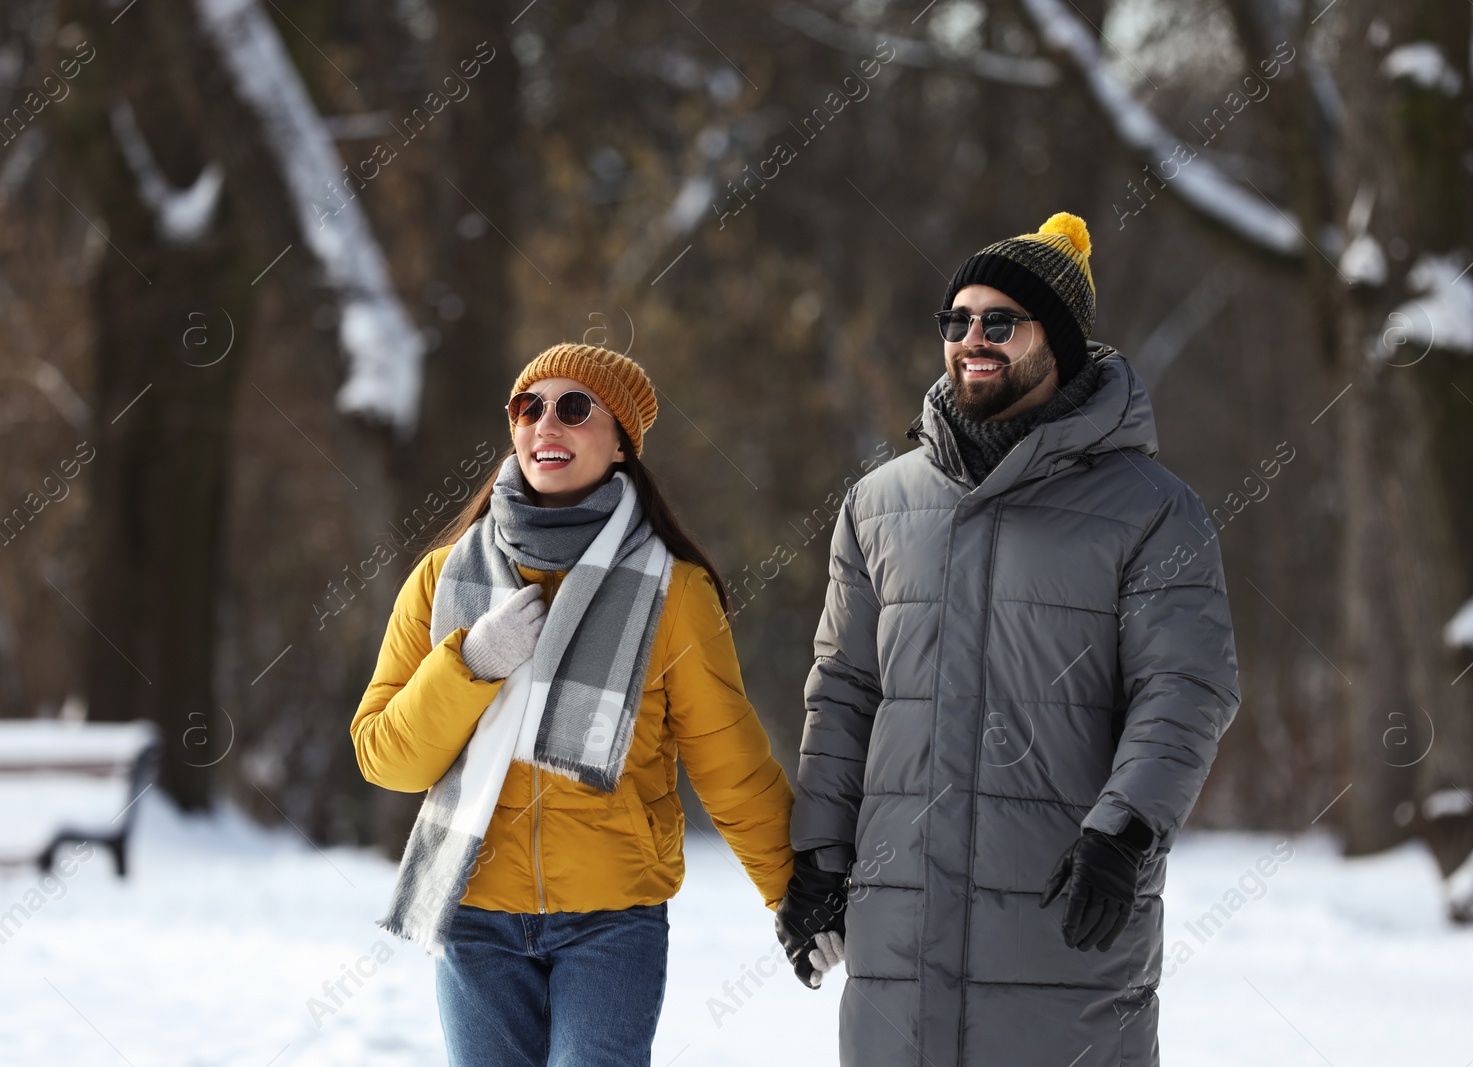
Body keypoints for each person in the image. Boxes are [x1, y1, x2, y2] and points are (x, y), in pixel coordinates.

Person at [777, 212, 1241, 1066]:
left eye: (1001, 321)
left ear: (1057, 341)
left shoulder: (1151, 508)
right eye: (957, 319)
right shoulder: (879, 504)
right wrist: (817, 854)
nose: (972, 338)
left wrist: (1126, 832)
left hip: (1061, 915)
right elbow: (844, 688)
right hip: (900, 939)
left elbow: (1186, 687)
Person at [351, 343, 794, 1067]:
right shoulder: (440, 577)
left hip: (611, 921)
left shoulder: (674, 592)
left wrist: (796, 896)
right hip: (476, 916)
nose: (545, 424)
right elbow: (384, 758)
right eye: (528, 407)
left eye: (575, 407)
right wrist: (466, 665)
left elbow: (730, 763)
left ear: (621, 440)